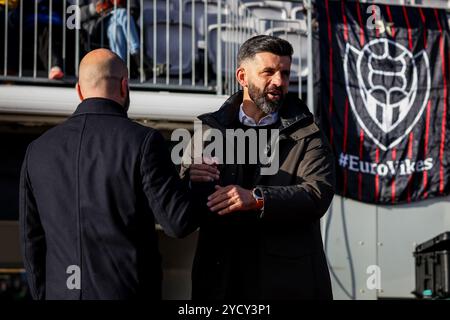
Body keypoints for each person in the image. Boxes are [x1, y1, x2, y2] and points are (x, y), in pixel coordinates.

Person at [19, 48, 198, 299]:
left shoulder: (37, 150)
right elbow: (177, 223)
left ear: (79, 91)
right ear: (124, 86)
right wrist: (194, 177)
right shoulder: (143, 141)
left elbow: (31, 243)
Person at [181, 35, 335, 299]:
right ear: (242, 76)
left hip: (287, 283)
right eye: (269, 72)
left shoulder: (310, 133)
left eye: (285, 73)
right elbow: (182, 203)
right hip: (221, 282)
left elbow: (317, 194)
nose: (279, 81)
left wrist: (257, 199)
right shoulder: (208, 130)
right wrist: (188, 177)